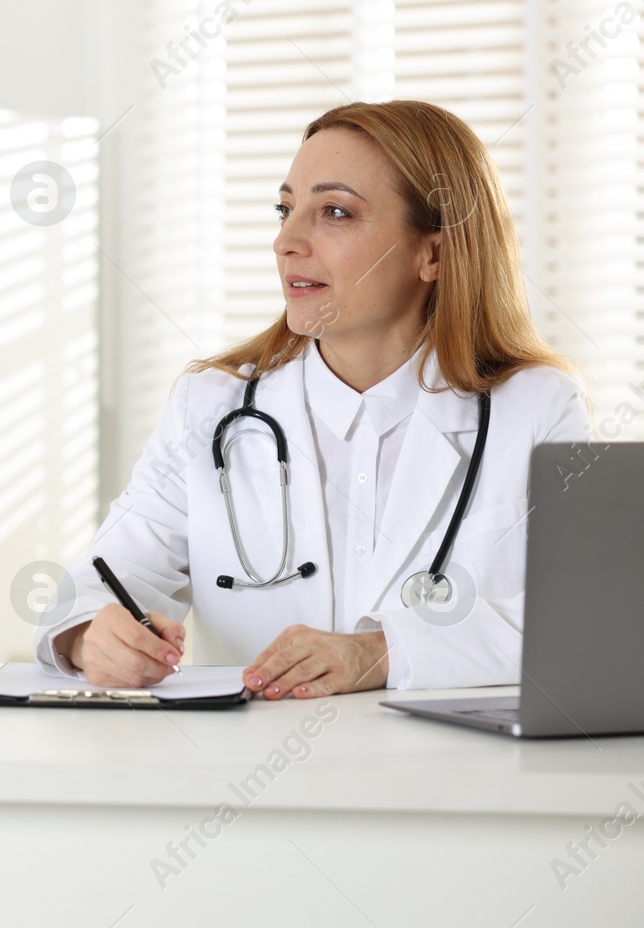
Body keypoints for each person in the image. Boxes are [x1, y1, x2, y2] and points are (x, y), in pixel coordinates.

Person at [36, 100, 591, 699]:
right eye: (285, 209)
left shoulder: (535, 407)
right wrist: (89, 634)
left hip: (450, 780)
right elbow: (106, 579)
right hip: (253, 780)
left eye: (335, 212)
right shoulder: (212, 406)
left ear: (433, 252)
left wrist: (384, 652)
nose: (285, 241)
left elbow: (585, 617)